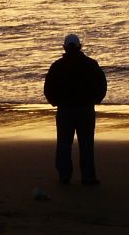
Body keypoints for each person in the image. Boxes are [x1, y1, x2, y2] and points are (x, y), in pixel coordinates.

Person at [43, 33, 107, 185]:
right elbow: (102, 85)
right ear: (80, 47)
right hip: (85, 109)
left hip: (65, 109)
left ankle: (64, 176)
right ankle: (88, 177)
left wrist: (54, 102)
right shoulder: (91, 64)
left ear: (64, 48)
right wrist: (95, 100)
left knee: (64, 144)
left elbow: (48, 88)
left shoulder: (57, 66)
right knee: (86, 144)